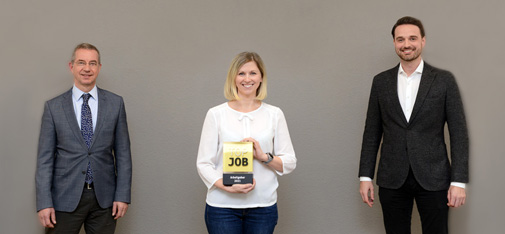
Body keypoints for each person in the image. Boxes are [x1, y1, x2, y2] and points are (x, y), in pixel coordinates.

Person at [358, 16, 469, 234]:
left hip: (434, 177)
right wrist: (365, 177)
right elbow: (371, 133)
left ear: (423, 41)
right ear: (394, 43)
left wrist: (459, 181)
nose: (406, 44)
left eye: (412, 38)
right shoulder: (381, 82)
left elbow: (459, 134)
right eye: (400, 39)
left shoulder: (444, 80)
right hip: (392, 177)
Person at [36, 43, 132, 234]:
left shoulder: (115, 104)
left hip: (104, 200)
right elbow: (44, 160)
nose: (87, 68)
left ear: (99, 68)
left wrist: (122, 196)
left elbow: (123, 154)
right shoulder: (53, 107)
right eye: (81, 63)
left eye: (92, 63)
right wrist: (44, 202)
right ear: (71, 67)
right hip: (63, 198)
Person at [196, 52, 297, 234]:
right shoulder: (216, 114)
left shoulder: (275, 114)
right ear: (233, 78)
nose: (247, 79)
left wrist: (263, 157)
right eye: (241, 73)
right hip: (222, 208)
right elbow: (203, 163)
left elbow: (289, 163)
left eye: (253, 73)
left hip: (263, 207)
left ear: (261, 78)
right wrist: (226, 185)